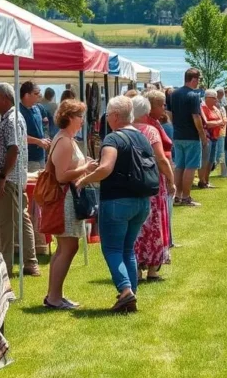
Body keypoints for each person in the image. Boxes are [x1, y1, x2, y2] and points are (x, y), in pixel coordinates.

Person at [79, 96, 156, 313]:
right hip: (141, 202)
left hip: (117, 202)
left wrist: (84, 179)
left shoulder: (113, 139)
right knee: (127, 249)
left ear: (114, 116)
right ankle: (131, 294)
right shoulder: (142, 137)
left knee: (112, 249)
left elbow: (106, 168)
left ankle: (125, 291)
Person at [41, 99, 91, 310]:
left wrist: (83, 166)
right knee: (68, 247)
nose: (82, 121)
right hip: (65, 199)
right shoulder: (63, 141)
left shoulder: (65, 138)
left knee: (65, 247)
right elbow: (61, 176)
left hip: (69, 197)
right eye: (80, 117)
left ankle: (55, 295)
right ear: (69, 117)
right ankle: (54, 297)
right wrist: (87, 167)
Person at [0, 83, 40, 277]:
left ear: (5, 99)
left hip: (10, 178)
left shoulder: (11, 119)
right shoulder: (15, 117)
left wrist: (2, 176)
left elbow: (13, 148)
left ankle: (6, 267)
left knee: (7, 224)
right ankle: (30, 262)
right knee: (21, 219)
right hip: (15, 176)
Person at [131, 96, 173, 282]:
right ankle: (152, 269)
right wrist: (171, 180)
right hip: (152, 183)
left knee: (135, 226)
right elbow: (161, 159)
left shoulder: (124, 130)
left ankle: (137, 268)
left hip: (132, 184)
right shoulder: (150, 131)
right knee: (154, 223)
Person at [19, 81, 52, 257]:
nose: (39, 96)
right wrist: (38, 141)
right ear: (26, 94)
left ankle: (42, 238)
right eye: (36, 93)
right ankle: (35, 240)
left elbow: (43, 128)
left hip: (40, 158)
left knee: (42, 198)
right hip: (29, 158)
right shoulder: (19, 112)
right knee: (32, 200)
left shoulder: (38, 109)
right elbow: (19, 136)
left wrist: (45, 140)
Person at [142, 89, 176, 247]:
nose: (164, 107)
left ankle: (165, 241)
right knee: (157, 212)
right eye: (162, 105)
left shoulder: (155, 122)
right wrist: (170, 178)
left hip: (160, 171)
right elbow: (160, 157)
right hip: (156, 173)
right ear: (152, 106)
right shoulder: (150, 125)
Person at [168, 69, 207, 207]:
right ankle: (186, 197)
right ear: (194, 79)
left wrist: (175, 126)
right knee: (190, 167)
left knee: (180, 166)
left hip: (177, 135)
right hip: (191, 136)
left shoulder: (174, 93)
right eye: (198, 80)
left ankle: (177, 196)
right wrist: (202, 135)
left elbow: (170, 113)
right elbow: (196, 117)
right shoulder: (193, 95)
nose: (199, 83)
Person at [198, 91, 225, 189]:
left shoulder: (215, 109)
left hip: (215, 137)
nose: (216, 100)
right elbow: (207, 123)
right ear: (207, 98)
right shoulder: (203, 108)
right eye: (214, 98)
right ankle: (202, 181)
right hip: (207, 137)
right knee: (205, 160)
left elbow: (223, 120)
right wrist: (218, 122)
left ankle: (207, 180)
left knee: (211, 160)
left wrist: (218, 122)